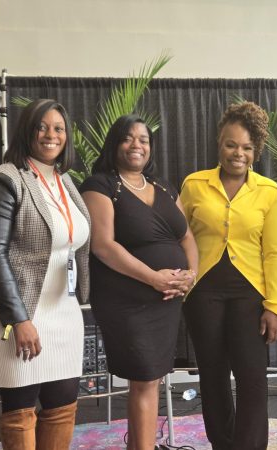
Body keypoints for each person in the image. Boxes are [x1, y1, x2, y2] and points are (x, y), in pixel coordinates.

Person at [0, 99, 90, 449]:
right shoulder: (3, 180)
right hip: (14, 309)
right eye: (42, 126)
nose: (51, 135)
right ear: (26, 131)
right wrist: (19, 320)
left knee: (63, 405)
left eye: (59, 128)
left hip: (61, 309)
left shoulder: (64, 181)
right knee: (20, 410)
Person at [80, 115, 198, 450]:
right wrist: (155, 278)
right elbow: (103, 245)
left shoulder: (162, 186)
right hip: (127, 298)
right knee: (145, 376)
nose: (137, 145)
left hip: (166, 298)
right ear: (115, 144)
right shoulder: (99, 185)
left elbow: (187, 236)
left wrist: (191, 276)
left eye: (143, 139)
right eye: (128, 138)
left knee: (151, 378)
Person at [180, 101, 277, 450]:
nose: (237, 153)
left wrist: (275, 306)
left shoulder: (269, 192)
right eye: (231, 144)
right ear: (219, 144)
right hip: (203, 293)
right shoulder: (194, 185)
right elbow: (177, 237)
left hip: (250, 296)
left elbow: (273, 253)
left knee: (252, 378)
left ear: (255, 151)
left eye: (246, 148)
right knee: (212, 376)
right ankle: (222, 444)